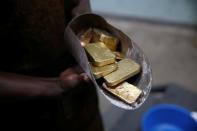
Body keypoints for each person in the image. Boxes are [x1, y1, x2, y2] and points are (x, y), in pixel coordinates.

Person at [0, 0, 103, 131]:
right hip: (22, 112)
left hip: (82, 103)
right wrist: (56, 86)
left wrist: (82, 20)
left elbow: (79, 3)